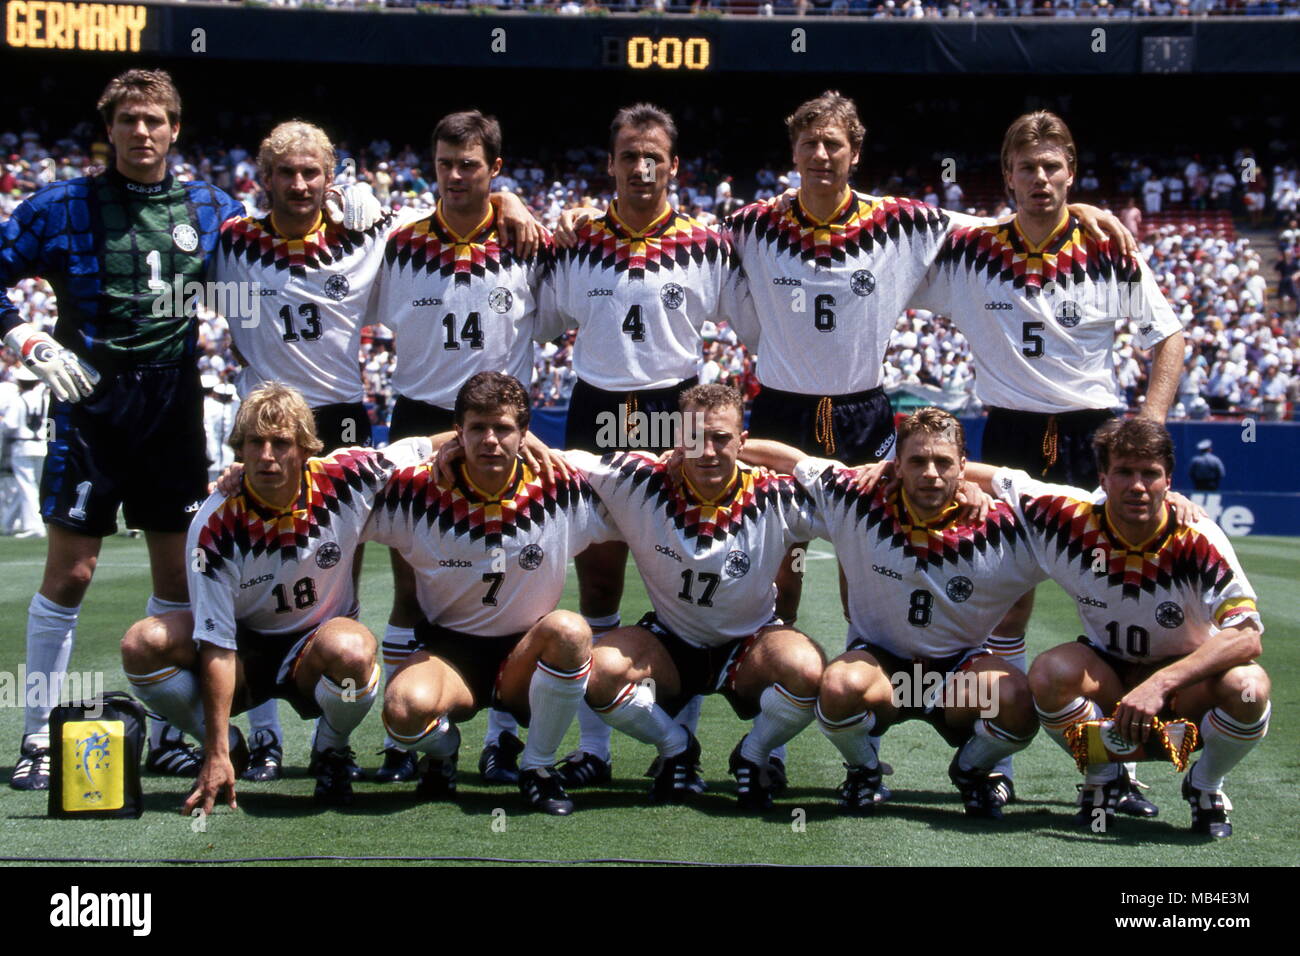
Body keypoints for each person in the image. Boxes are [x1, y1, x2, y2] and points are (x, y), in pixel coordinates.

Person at [908, 110, 1186, 807]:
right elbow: (895, 232)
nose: (1040, 179)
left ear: (1071, 172)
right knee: (1004, 604)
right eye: (1027, 168)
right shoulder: (971, 248)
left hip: (1094, 434)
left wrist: (1146, 428)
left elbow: (1169, 336)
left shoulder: (1106, 248)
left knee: (1118, 597)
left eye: (1053, 168)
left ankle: (1112, 768)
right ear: (1006, 176)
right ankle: (992, 752)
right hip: (1008, 437)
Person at [0, 70, 247, 789]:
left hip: (172, 404)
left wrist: (347, 213)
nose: (144, 132)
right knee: (71, 572)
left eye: (157, 120)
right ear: (107, 129)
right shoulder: (60, 205)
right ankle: (38, 735)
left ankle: (170, 732)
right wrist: (29, 342)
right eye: (131, 120)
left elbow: (282, 254)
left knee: (178, 580)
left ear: (176, 129)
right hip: (90, 401)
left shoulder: (212, 206)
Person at [541, 104, 753, 789]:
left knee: (680, 579)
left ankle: (679, 748)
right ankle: (595, 749)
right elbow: (535, 320)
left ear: (673, 166)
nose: (640, 168)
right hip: (597, 411)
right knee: (598, 578)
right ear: (610, 164)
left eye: (652, 156)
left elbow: (759, 317)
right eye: (628, 156)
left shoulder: (710, 246)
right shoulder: (575, 244)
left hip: (674, 414)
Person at [120, 383, 430, 810]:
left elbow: (421, 445)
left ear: (305, 448)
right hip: (246, 648)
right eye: (255, 442)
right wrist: (215, 750)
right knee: (142, 644)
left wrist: (518, 440)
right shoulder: (214, 524)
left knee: (355, 651)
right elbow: (216, 644)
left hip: (316, 646)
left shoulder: (348, 475)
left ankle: (331, 747)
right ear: (239, 449)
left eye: (281, 442)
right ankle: (230, 745)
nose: (267, 455)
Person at [740, 408, 1044, 818]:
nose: (931, 473)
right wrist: (693, 449)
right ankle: (864, 770)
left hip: (955, 672)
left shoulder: (995, 521)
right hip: (882, 667)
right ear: (896, 464)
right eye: (917, 461)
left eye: (943, 463)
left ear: (964, 468)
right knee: (837, 686)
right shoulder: (858, 496)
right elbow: (789, 460)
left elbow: (1074, 503)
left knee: (1019, 700)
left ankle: (973, 770)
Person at [972, 419, 1270, 837]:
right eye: (1125, 472)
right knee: (1048, 673)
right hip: (1110, 675)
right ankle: (1103, 777)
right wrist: (898, 470)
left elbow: (1246, 635)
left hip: (1185, 685)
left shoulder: (1198, 536)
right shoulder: (1067, 513)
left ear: (1169, 480)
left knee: (1249, 686)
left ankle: (1205, 787)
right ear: (1103, 479)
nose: (1137, 485)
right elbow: (996, 477)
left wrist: (1160, 684)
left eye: (1150, 473)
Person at [369, 110, 552, 786]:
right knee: (412, 583)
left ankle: (503, 735)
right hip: (420, 417)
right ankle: (405, 734)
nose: (453, 176)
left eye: (469, 165)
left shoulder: (531, 245)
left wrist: (514, 206)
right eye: (444, 163)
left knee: (514, 584)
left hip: (500, 425)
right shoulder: (398, 244)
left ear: (493, 169)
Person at [570, 384, 825, 810]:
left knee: (808, 672)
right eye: (694, 437)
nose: (707, 451)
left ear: (743, 442)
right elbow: (543, 456)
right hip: (671, 644)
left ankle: (755, 753)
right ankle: (676, 748)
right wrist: (447, 447)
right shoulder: (640, 481)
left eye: (721, 438)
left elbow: (860, 493)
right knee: (594, 671)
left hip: (751, 644)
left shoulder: (775, 493)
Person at [370, 372, 613, 815]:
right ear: (458, 432)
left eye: (503, 429)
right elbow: (342, 479)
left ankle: (537, 768)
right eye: (477, 428)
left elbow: (650, 489)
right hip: (449, 651)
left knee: (570, 630)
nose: (490, 440)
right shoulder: (418, 487)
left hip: (528, 653)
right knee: (403, 713)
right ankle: (443, 752)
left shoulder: (562, 482)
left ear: (525, 434)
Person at [3, 365, 48, 538]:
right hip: (42, 445)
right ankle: (10, 522)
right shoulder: (44, 398)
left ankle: (33, 525)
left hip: (22, 446)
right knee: (38, 485)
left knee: (26, 486)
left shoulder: (18, 400)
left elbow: (10, 425)